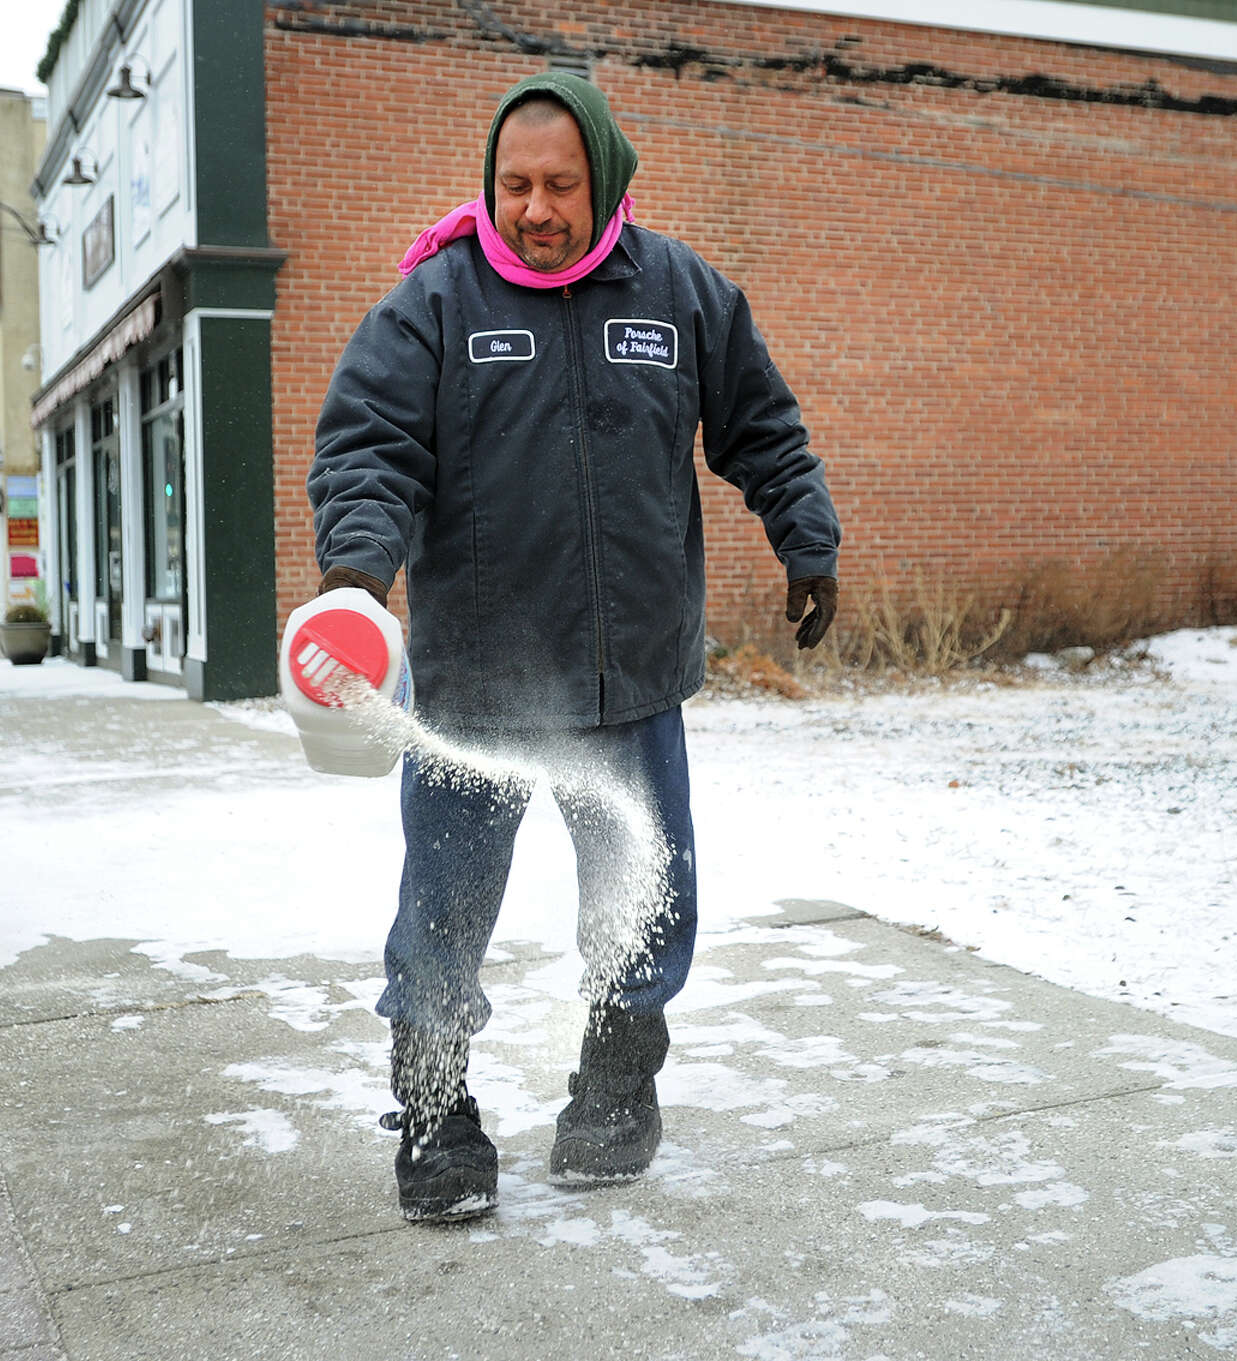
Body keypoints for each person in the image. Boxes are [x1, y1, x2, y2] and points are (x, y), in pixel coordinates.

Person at [307, 71, 842, 1223]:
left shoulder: (682, 293)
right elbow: (369, 447)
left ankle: (614, 1089)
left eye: (559, 185)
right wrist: (359, 567)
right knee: (442, 917)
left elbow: (763, 424)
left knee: (644, 898)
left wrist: (806, 538)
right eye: (513, 185)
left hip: (632, 675)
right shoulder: (435, 304)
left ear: (604, 182)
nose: (535, 209)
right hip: (481, 687)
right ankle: (437, 1115)